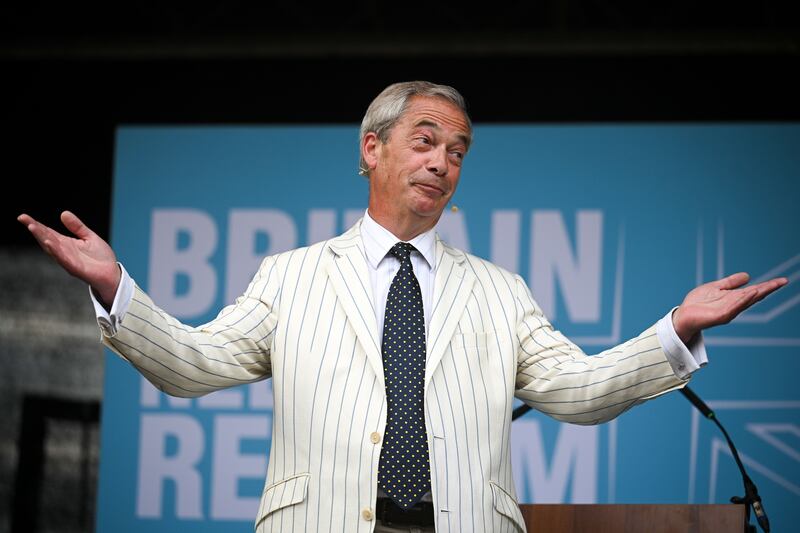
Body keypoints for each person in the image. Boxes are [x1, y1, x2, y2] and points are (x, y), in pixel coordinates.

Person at [18, 81, 787, 533]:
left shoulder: (501, 290)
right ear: (371, 149)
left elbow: (578, 391)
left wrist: (675, 328)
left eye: (458, 151)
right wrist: (116, 287)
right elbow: (193, 365)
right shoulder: (290, 276)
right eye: (425, 140)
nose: (442, 162)